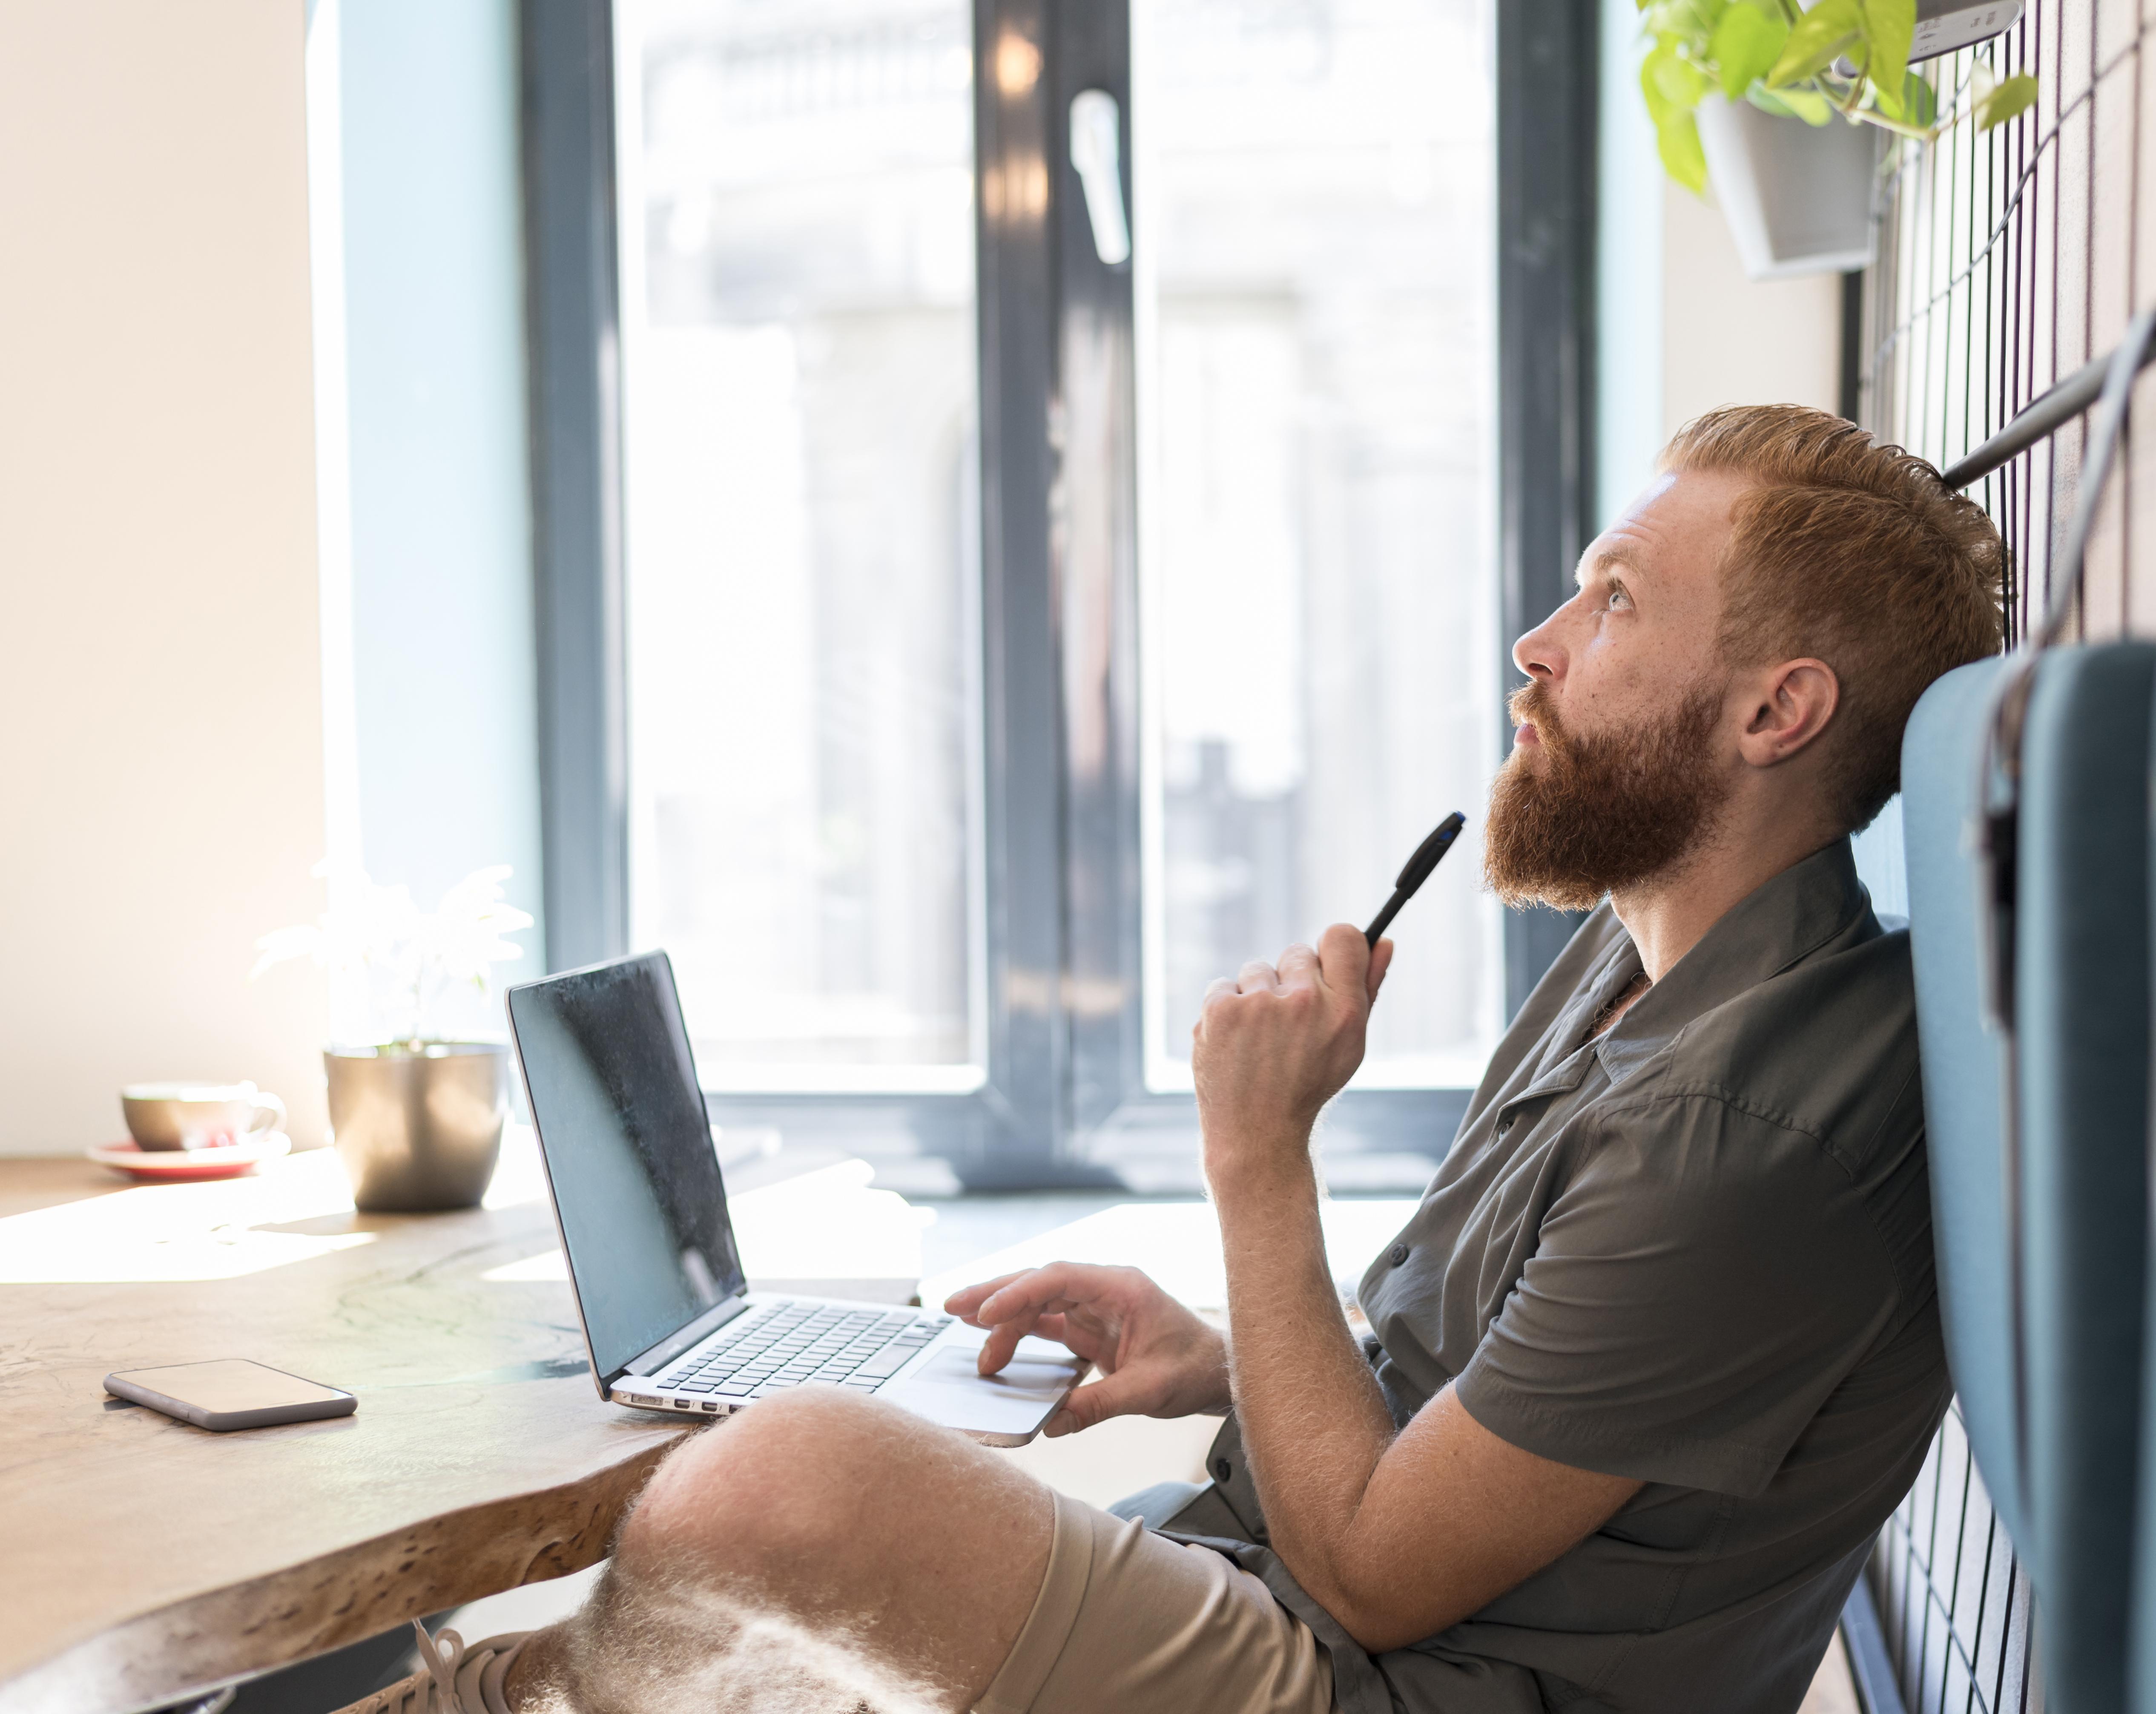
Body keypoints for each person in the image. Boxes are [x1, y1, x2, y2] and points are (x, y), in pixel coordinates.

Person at [346, 403, 2007, 1714]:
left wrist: (1257, 1156)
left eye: (1616, 600)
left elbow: (1371, 1573)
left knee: (789, 1480)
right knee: (789, 1567)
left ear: (1774, 711)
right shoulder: (1635, 972)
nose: (1539, 640)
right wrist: (1222, 1358)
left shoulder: (1746, 1134)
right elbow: (1484, 1402)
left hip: (1392, 1676)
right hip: (1304, 1598)